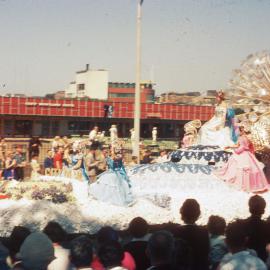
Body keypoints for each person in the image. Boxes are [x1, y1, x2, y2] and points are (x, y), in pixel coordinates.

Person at [215, 126, 269, 193]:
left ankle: (246, 184)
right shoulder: (242, 137)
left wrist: (236, 151)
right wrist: (230, 146)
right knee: (237, 164)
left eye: (238, 131)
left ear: (241, 131)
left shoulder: (243, 138)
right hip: (244, 153)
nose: (237, 133)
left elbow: (243, 147)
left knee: (242, 167)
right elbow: (238, 145)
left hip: (244, 154)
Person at [174, 199, 210, 270]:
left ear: (182, 213)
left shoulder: (175, 231)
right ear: (197, 214)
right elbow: (206, 255)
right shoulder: (204, 232)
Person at [241, 195, 269, 261]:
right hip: (262, 258)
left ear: (249, 209)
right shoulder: (267, 226)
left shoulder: (242, 224)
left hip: (245, 258)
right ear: (263, 211)